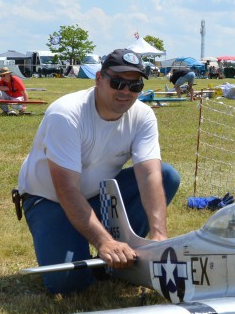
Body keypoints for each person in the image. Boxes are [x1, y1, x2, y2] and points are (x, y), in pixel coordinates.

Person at [16, 48, 181, 294]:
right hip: (49, 200)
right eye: (117, 82)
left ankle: (123, 254)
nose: (126, 91)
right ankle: (106, 247)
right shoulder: (66, 114)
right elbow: (66, 189)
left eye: (135, 85)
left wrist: (159, 237)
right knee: (68, 285)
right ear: (98, 79)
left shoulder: (143, 116)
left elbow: (149, 175)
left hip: (97, 195)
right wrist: (103, 241)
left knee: (167, 175)